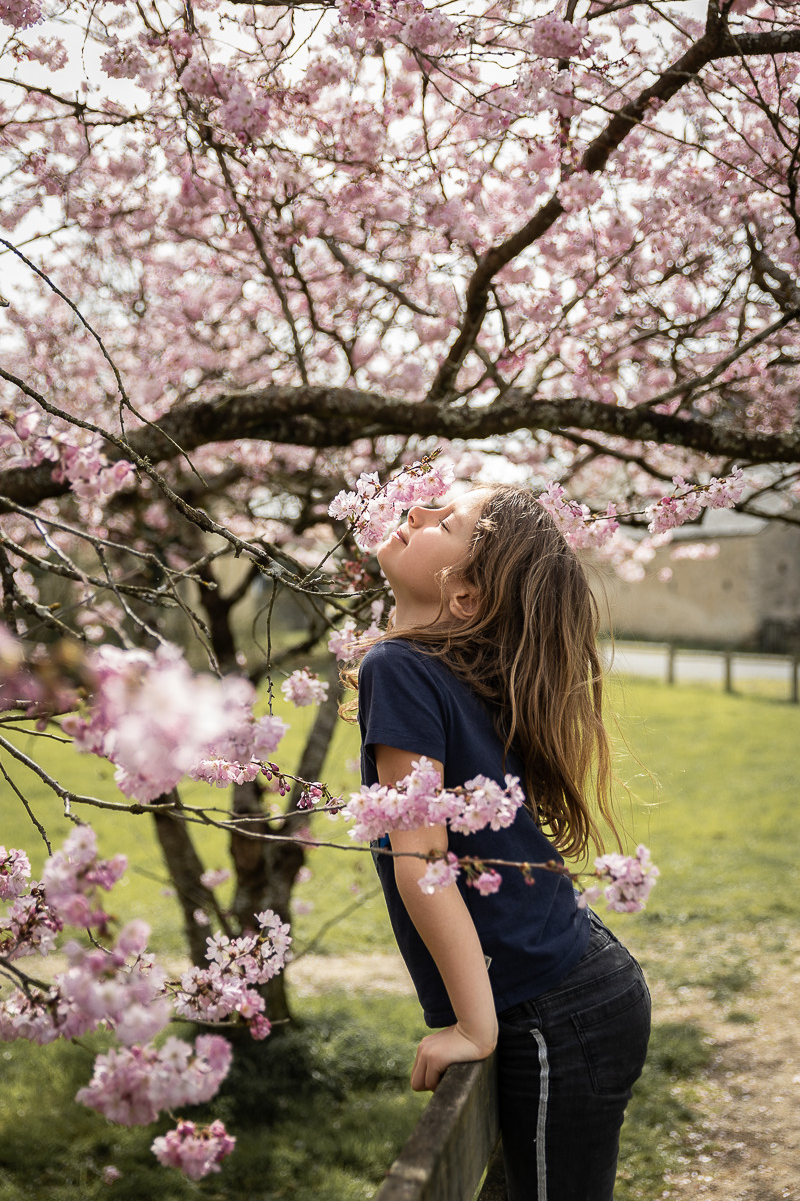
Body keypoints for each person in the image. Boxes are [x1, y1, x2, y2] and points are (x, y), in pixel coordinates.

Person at [355, 484, 651, 1201]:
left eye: (444, 521)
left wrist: (475, 1029)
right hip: (580, 989)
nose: (417, 510)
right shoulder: (436, 669)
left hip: (557, 1013)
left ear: (465, 596)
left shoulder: (399, 668)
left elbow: (422, 861)